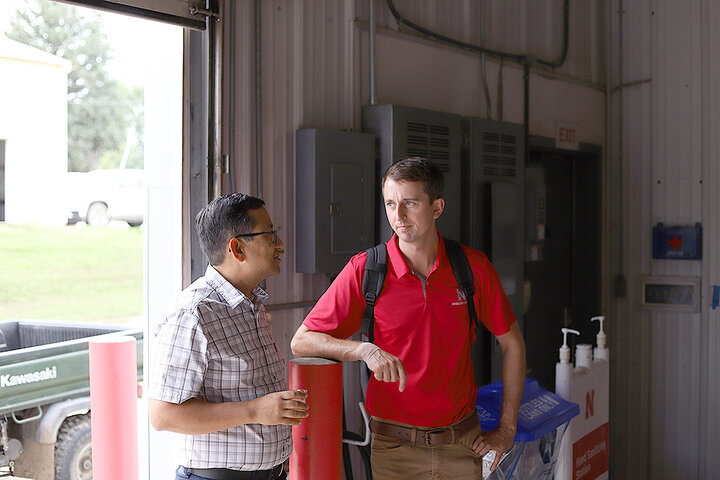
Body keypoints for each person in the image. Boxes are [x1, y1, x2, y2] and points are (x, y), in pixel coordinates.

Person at [291, 157, 526, 479]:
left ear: (437, 207)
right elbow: (302, 341)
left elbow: (512, 343)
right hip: (395, 449)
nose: (398, 216)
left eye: (410, 203)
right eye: (390, 203)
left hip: (464, 444)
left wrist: (506, 428)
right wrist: (363, 350)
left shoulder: (472, 267)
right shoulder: (367, 269)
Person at [148, 193, 309, 480]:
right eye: (270, 235)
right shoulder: (194, 313)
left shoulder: (251, 304)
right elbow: (163, 415)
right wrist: (254, 410)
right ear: (237, 248)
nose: (280, 245)